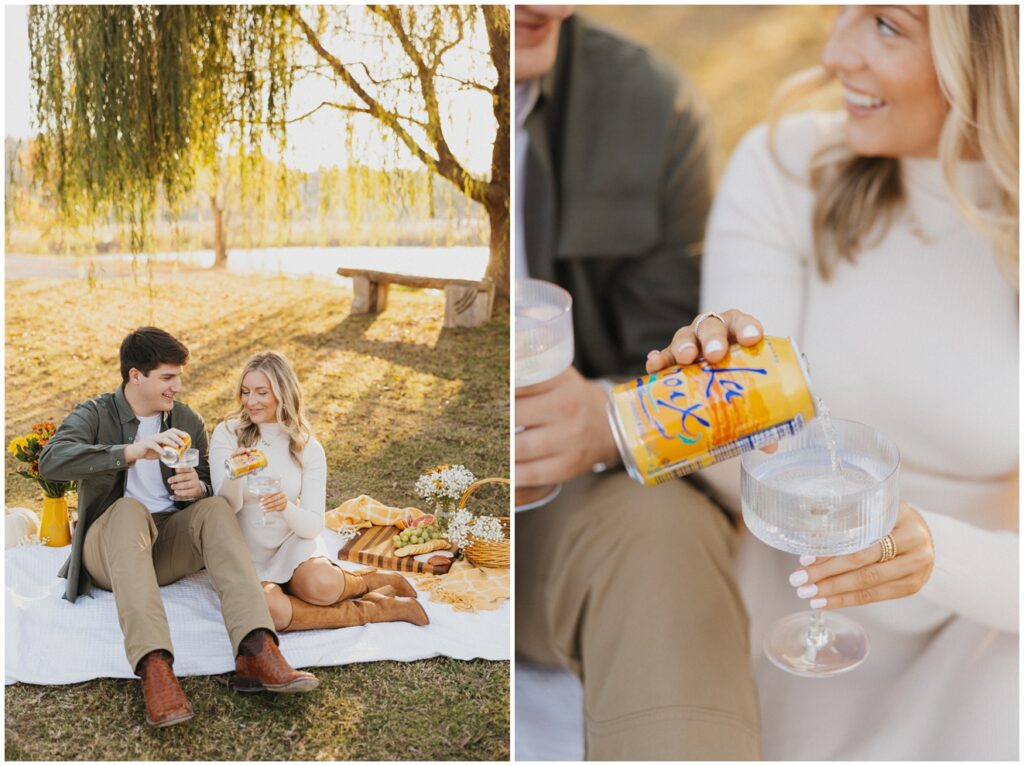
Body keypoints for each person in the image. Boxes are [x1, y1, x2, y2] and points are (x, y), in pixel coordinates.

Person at [650, 5, 1018, 759]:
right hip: (796, 604)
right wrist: (706, 405)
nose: (834, 52)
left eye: (886, 25)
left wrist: (933, 555)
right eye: (841, 10)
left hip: (988, 619)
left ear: (994, 51)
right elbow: (737, 478)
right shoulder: (786, 170)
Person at [514, 6, 763, 759]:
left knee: (662, 536)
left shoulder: (652, 106)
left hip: (562, 507)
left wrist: (605, 417)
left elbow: (682, 368)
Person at [38, 327, 318, 730]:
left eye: (178, 377)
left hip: (164, 544)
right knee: (128, 511)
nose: (178, 386)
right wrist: (130, 452)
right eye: (168, 378)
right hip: (109, 546)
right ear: (136, 376)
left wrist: (198, 488)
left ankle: (256, 648)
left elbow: (206, 480)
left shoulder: (186, 418)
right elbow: (52, 460)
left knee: (217, 508)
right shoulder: (96, 413)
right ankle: (155, 667)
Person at [210, 351, 428, 634]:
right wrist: (234, 472)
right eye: (245, 392)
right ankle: (378, 609)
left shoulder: (307, 447)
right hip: (242, 551)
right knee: (267, 611)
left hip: (291, 543)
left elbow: (313, 525)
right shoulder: (227, 433)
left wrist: (285, 506)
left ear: (282, 393)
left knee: (323, 587)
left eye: (261, 392)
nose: (250, 401)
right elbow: (223, 507)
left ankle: (364, 581)